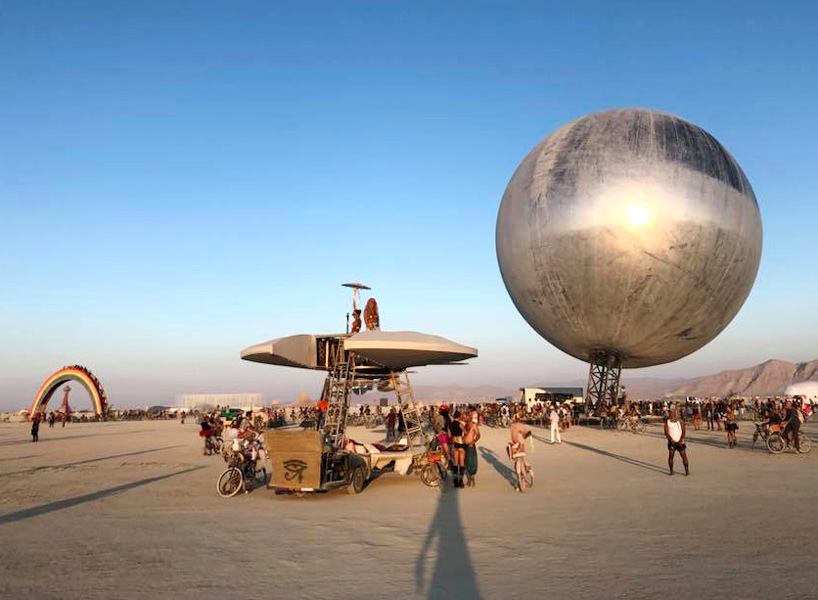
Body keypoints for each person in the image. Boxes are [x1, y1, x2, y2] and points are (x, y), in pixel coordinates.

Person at [664, 409, 689, 476]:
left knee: (684, 456)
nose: (670, 414)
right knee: (671, 456)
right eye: (669, 413)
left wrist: (681, 439)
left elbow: (683, 431)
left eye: (671, 413)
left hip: (680, 441)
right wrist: (671, 439)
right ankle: (671, 471)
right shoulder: (667, 421)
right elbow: (666, 432)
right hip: (672, 442)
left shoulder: (680, 421)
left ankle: (687, 471)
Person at [449, 411, 466, 488]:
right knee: (461, 462)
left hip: (454, 443)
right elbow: (465, 432)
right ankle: (461, 481)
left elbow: (449, 435)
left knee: (455, 462)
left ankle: (455, 480)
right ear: (459, 417)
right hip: (461, 442)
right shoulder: (460, 424)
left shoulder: (450, 425)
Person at [464, 410, 481, 487]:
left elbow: (478, 435)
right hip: (465, 445)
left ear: (469, 417)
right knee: (467, 462)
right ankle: (469, 479)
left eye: (466, 416)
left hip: (470, 445)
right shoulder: (465, 425)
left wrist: (473, 442)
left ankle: (472, 479)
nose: (465, 418)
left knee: (472, 462)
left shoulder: (474, 425)